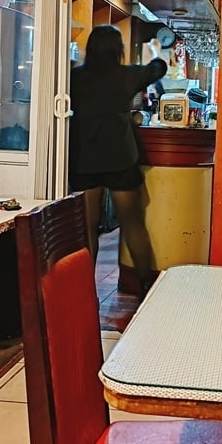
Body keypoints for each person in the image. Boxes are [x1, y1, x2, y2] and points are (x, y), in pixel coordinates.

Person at [69, 25, 168, 293]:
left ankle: (83, 289)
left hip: (84, 156)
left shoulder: (75, 77)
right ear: (118, 50)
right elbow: (159, 68)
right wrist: (155, 51)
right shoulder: (126, 75)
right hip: (120, 157)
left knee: (87, 229)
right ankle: (145, 285)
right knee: (133, 223)